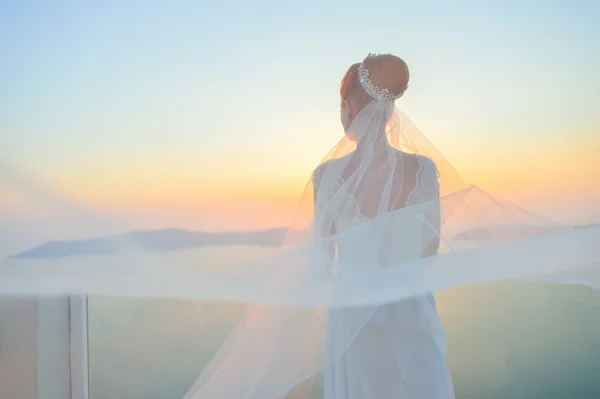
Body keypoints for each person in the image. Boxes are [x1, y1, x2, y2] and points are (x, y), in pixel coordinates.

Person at [312, 53, 454, 398]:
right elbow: (429, 247)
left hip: (352, 322)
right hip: (413, 314)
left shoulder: (326, 176)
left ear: (347, 108)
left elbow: (320, 258)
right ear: (390, 111)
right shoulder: (422, 170)